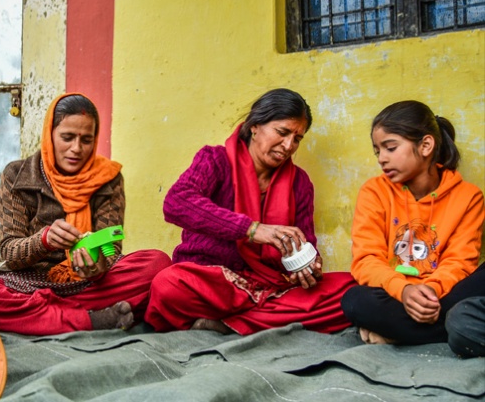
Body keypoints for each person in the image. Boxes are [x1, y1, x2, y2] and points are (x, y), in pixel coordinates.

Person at [144, 88, 355, 335]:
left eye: (297, 138)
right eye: (283, 132)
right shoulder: (215, 160)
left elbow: (305, 241)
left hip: (270, 287)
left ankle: (229, 325)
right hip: (215, 284)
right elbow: (176, 203)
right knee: (168, 285)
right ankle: (262, 322)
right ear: (255, 126)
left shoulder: (300, 183)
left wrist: (308, 267)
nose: (288, 145)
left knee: (350, 290)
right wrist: (251, 229)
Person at [0, 93, 171, 335]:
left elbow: (111, 251)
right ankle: (89, 318)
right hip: (27, 283)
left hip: (88, 284)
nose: (76, 149)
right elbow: (9, 252)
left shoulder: (108, 179)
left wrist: (97, 266)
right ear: (50, 134)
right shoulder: (17, 175)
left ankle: (46, 315)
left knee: (156, 264)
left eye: (86, 140)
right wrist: (44, 240)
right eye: (67, 138)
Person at [341, 101, 484, 351]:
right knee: (354, 301)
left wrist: (429, 291)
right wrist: (405, 291)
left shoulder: (469, 197)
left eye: (390, 148)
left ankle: (399, 333)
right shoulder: (373, 191)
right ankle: (443, 330)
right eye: (378, 152)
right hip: (394, 296)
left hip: (443, 296)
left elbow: (460, 262)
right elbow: (366, 260)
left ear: (426, 145)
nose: (382, 159)